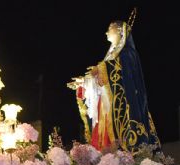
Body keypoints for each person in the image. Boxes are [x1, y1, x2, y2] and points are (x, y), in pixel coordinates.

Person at [67, 17, 160, 151]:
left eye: (109, 29)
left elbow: (118, 74)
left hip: (122, 104)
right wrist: (84, 82)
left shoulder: (127, 53)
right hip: (106, 106)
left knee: (120, 140)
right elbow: (104, 79)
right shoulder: (110, 56)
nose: (106, 33)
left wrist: (100, 68)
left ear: (120, 31)